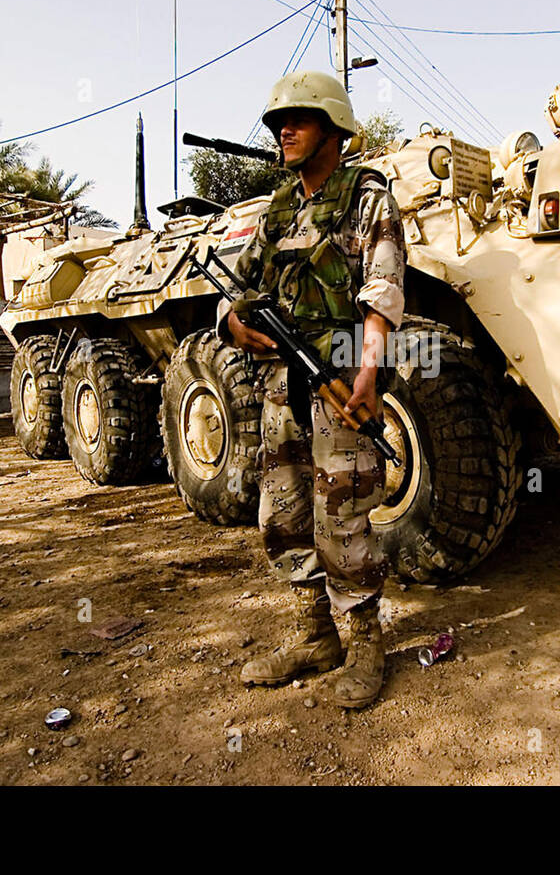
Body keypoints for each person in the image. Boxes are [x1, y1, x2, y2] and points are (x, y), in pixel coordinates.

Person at [217, 70, 405, 709]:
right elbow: (236, 289)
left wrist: (370, 372)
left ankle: (364, 645)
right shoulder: (276, 208)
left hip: (340, 380)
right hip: (280, 388)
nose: (283, 131)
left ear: (333, 127)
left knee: (343, 516)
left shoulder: (366, 195)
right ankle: (314, 636)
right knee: (283, 515)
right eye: (276, 123)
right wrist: (235, 325)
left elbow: (381, 291)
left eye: (296, 120)